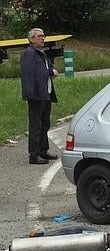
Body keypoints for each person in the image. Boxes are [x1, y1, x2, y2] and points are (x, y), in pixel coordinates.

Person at [20, 28, 59, 165]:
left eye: (43, 36)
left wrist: (52, 71)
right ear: (31, 39)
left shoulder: (41, 53)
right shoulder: (29, 54)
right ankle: (34, 154)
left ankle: (43, 150)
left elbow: (46, 69)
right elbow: (28, 75)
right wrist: (30, 94)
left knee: (45, 124)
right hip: (36, 95)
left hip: (45, 93)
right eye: (39, 36)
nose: (42, 38)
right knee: (36, 125)